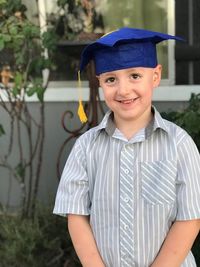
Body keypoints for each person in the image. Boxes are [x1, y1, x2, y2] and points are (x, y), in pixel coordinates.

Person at [53, 27, 200, 267]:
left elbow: (190, 218)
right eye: (111, 79)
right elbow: (76, 215)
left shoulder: (179, 144)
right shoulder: (86, 148)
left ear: (155, 76)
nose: (123, 90)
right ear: (99, 82)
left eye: (134, 76)